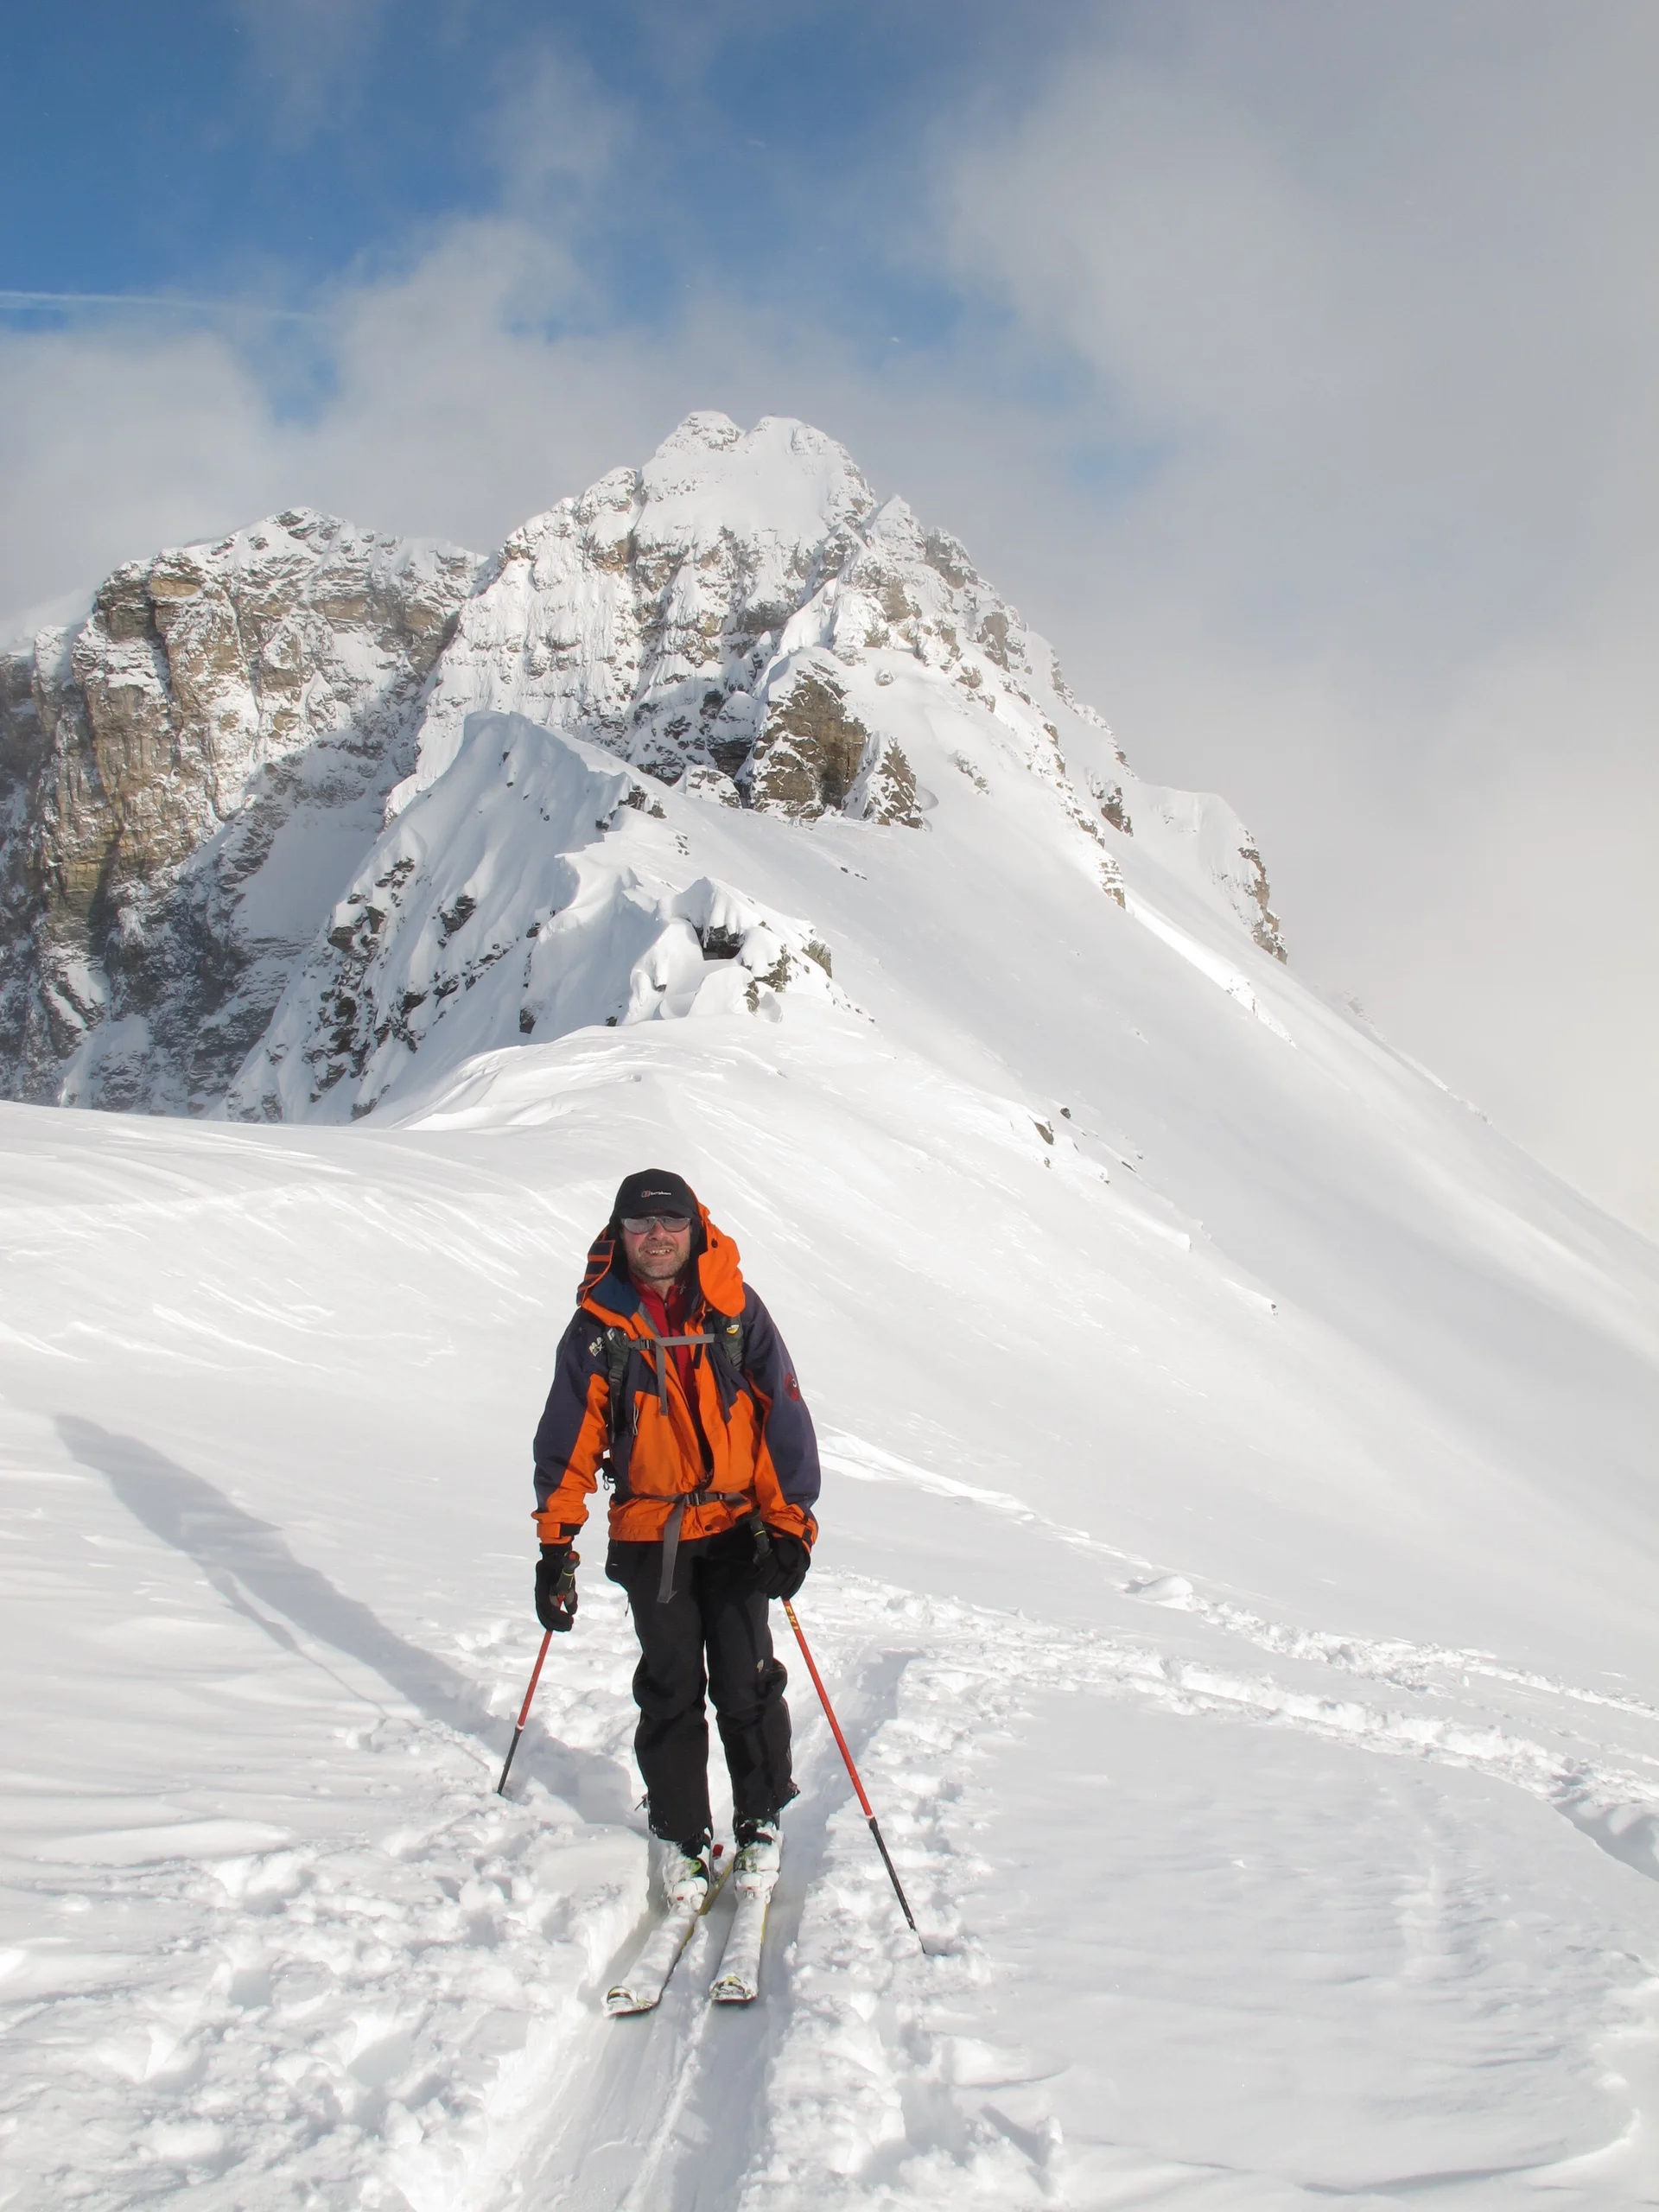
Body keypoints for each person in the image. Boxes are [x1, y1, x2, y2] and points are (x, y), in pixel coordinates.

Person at [531, 1168, 819, 1909]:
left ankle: (759, 1822)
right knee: (670, 1690)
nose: (656, 1237)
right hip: (648, 1530)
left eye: (670, 1224)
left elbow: (782, 1418)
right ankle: (682, 1834)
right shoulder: (600, 1325)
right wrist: (556, 1546)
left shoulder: (733, 1311)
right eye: (640, 1225)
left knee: (745, 1681)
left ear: (693, 1229)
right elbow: (571, 1437)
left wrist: (790, 1527)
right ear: (619, 1234)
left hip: (734, 1529)